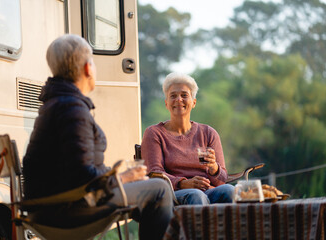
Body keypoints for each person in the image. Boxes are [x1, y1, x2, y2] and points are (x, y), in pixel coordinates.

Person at [22, 34, 173, 240]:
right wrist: (122, 177)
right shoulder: (71, 109)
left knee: (148, 190)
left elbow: (74, 169)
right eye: (93, 61)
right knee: (160, 189)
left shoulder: (57, 103)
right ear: (87, 68)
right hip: (67, 209)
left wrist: (114, 175)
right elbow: (81, 175)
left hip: (53, 205)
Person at [141, 72, 234, 205]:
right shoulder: (154, 133)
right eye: (173, 96)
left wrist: (214, 167)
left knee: (230, 191)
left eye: (184, 95)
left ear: (193, 102)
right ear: (166, 103)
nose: (179, 99)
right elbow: (154, 174)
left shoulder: (208, 133)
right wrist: (184, 183)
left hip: (208, 192)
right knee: (196, 195)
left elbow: (221, 181)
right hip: (173, 195)